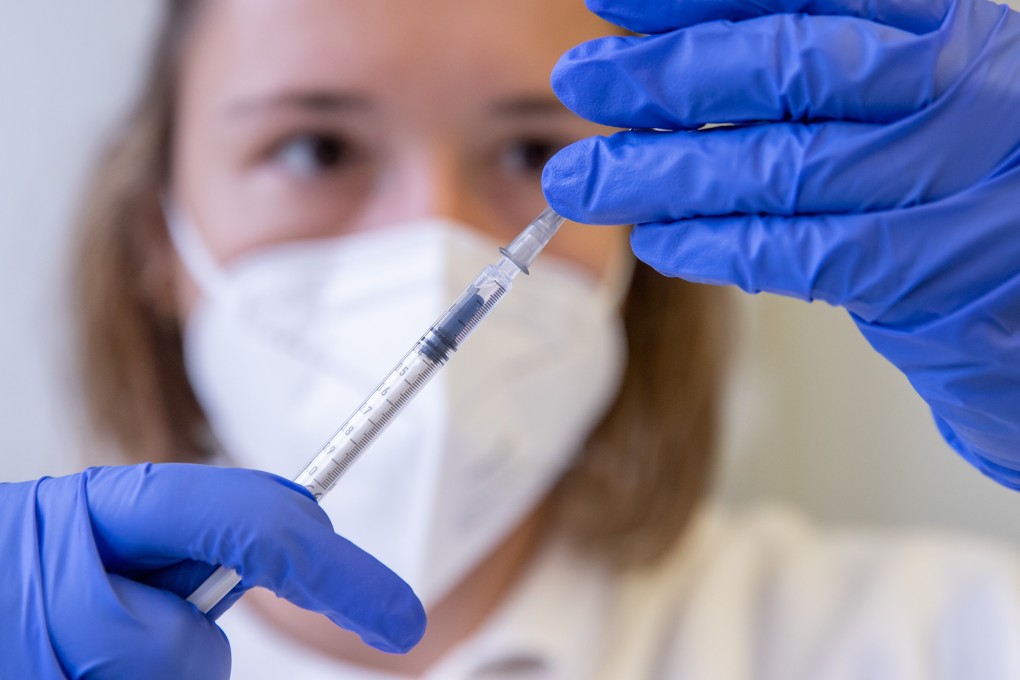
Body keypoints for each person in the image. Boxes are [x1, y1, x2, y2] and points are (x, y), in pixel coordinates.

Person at [1, 0, 1017, 678]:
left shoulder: (921, 636)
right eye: (316, 148)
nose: (434, 235)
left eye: (531, 148)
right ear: (155, 240)